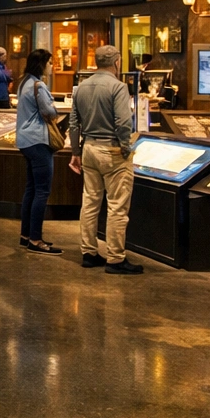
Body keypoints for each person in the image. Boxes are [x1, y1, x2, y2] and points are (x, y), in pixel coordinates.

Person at [69, 44, 142, 274]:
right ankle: (115, 258)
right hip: (112, 150)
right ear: (117, 62)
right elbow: (123, 122)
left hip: (88, 148)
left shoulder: (81, 87)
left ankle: (89, 252)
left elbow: (73, 123)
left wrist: (75, 152)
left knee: (90, 202)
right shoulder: (118, 87)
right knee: (117, 206)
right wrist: (126, 147)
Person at [16, 49, 62, 255]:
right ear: (42, 64)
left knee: (31, 189)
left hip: (25, 141)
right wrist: (54, 106)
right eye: (50, 63)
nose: (52, 66)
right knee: (42, 191)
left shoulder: (23, 82)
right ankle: (36, 239)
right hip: (38, 140)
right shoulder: (38, 85)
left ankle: (26, 235)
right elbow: (49, 112)